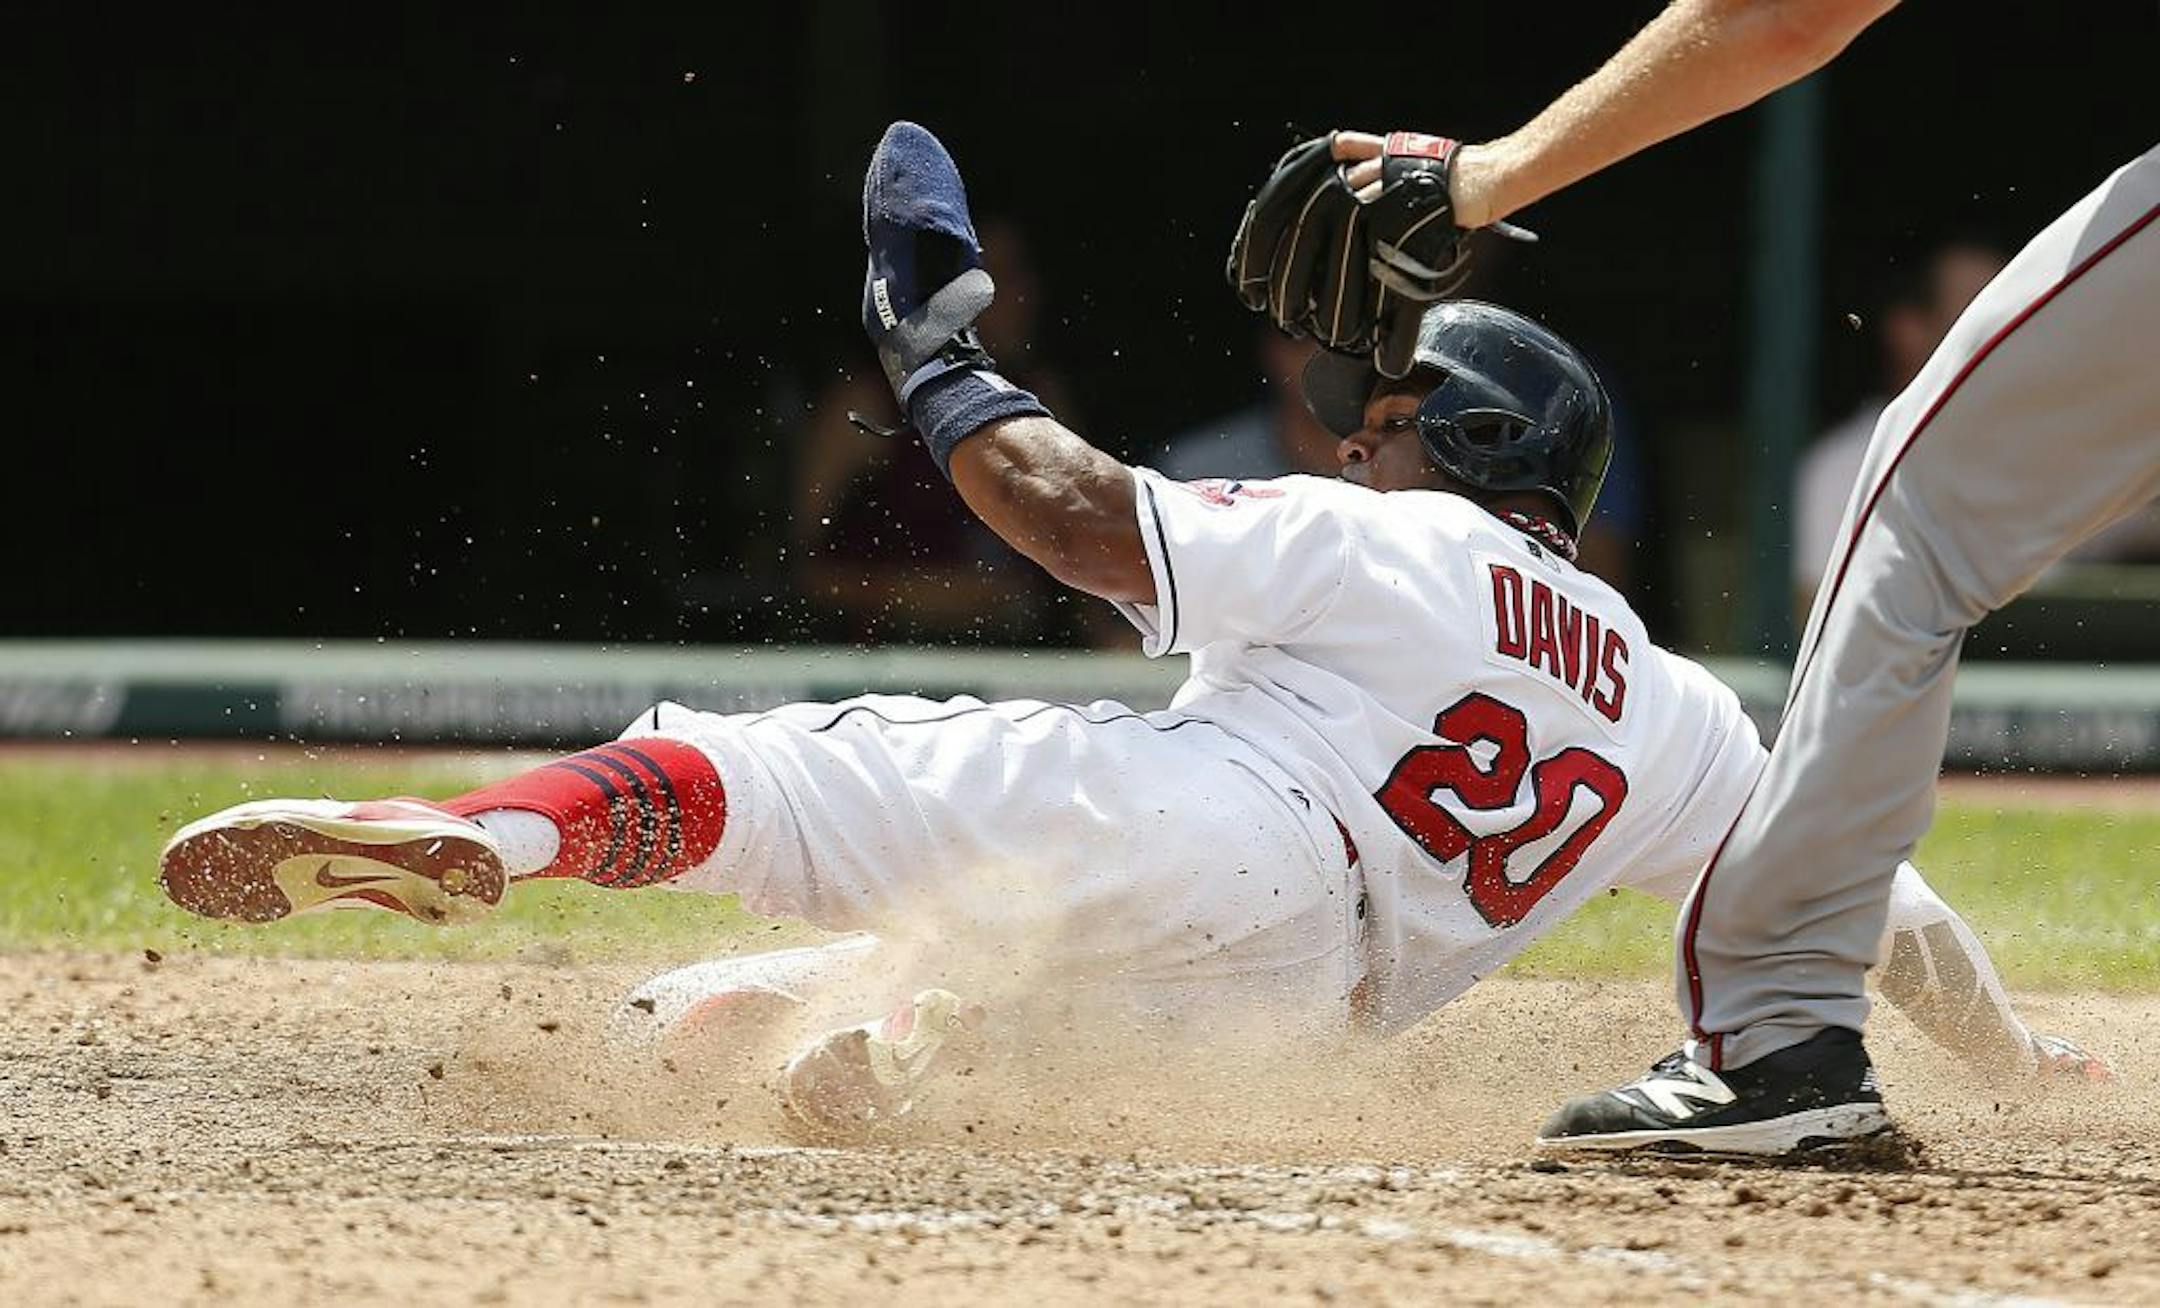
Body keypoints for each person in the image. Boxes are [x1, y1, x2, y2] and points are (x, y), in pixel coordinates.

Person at [156, 122, 2107, 1142]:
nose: (1362, 422)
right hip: (1292, 1014)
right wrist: (2008, 1065)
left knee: (773, 772)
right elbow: (1883, 918)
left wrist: (935, 345)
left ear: (1477, 438)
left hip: (1224, 828)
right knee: (707, 1023)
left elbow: (1065, 517)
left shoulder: (1386, 546)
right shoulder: (1669, 704)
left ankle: (489, 835)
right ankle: (920, 1027)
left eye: (1400, 404)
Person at [1234, 0, 2157, 1153]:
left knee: (1914, 509)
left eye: (1391, 421)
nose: (1353, 450)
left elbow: (1778, 17)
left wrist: (1483, 178)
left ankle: (1777, 1040)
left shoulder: (1330, 549)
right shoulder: (1668, 710)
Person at [1794, 240, 2005, 613]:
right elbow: (1819, 633)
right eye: (1980, 310)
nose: (2007, 329)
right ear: (1908, 329)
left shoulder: (2038, 452)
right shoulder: (1843, 469)